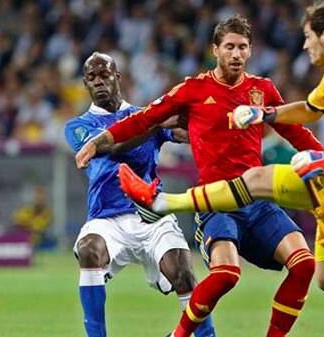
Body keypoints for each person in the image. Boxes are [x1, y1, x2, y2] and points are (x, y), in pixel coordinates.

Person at [116, 3, 324, 337]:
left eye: (309, 37)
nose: (304, 45)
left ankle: (162, 203)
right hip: (244, 199)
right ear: (215, 50)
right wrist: (264, 115)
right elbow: (309, 110)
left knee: (255, 179)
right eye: (230, 46)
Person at [77, 17, 323, 337]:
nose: (236, 54)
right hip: (216, 201)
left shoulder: (261, 90)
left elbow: (296, 132)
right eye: (230, 47)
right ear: (215, 50)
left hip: (259, 203)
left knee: (305, 264)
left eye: (243, 47)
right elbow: (144, 119)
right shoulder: (193, 90)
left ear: (250, 51)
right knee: (226, 275)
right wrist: (100, 140)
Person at [64, 52, 215, 337]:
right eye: (92, 78)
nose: (99, 82)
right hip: (106, 218)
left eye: (104, 75)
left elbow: (186, 133)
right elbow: (110, 146)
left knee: (183, 271)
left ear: (117, 78)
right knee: (89, 249)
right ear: (85, 84)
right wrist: (155, 124)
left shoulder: (144, 115)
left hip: (150, 214)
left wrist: (200, 115)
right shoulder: (78, 126)